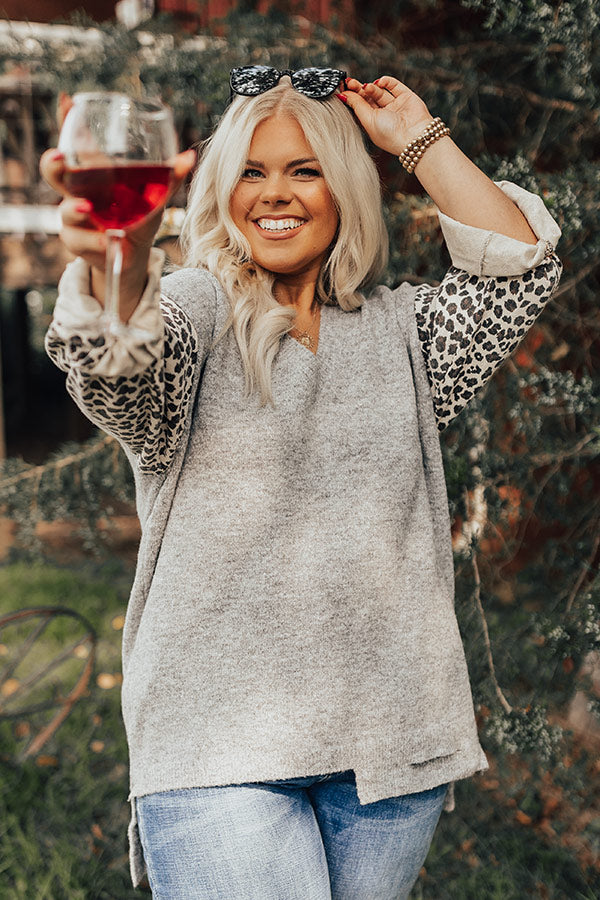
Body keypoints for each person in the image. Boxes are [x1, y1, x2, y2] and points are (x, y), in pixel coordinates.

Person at [41, 68, 562, 900]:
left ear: (343, 189)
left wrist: (418, 140)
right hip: (218, 750)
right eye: (251, 170)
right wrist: (123, 257)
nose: (275, 193)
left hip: (389, 746)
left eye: (304, 169)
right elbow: (118, 368)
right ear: (222, 190)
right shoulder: (197, 311)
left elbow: (519, 272)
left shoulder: (403, 336)